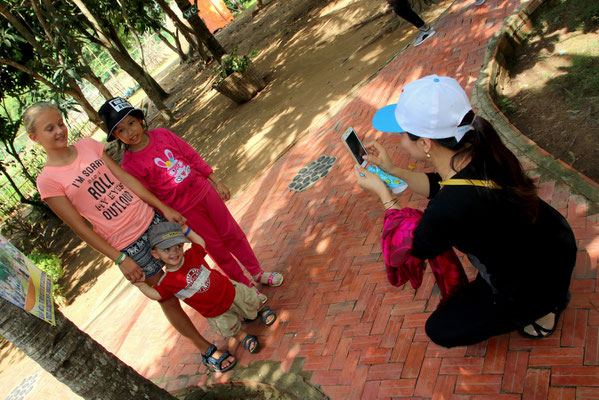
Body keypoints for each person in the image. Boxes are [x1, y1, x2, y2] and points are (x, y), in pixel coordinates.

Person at [353, 75, 576, 347]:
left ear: (425, 143)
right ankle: (547, 297)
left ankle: (544, 309)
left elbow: (418, 246)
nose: (399, 142)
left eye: (402, 134)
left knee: (440, 330)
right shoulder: (478, 148)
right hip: (553, 242)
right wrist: (394, 171)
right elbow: (443, 185)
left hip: (532, 283)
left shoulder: (450, 207)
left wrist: (383, 194)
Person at [26, 102, 234, 371]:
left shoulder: (89, 146)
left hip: (153, 222)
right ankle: (205, 348)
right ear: (35, 137)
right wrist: (120, 258)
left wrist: (163, 207)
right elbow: (80, 227)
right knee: (166, 298)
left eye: (61, 123)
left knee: (197, 270)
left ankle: (233, 319)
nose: (59, 131)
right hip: (127, 245)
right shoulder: (48, 181)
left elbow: (125, 179)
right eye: (49, 128)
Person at [98, 98, 284, 304]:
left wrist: (215, 180)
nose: (130, 132)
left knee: (232, 234)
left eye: (131, 123)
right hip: (185, 211)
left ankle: (257, 272)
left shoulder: (162, 134)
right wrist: (170, 217)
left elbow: (190, 155)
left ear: (140, 120)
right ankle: (246, 288)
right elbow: (148, 197)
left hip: (205, 192)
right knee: (216, 248)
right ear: (115, 136)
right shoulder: (129, 166)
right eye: (121, 130)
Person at [134, 222, 277, 371]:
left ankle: (262, 309)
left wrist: (187, 230)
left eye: (178, 246)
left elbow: (200, 242)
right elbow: (156, 294)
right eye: (166, 249)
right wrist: (141, 285)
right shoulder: (167, 281)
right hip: (215, 312)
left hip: (230, 291)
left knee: (249, 299)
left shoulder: (191, 254)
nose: (174, 252)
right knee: (230, 327)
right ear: (155, 254)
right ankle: (243, 337)